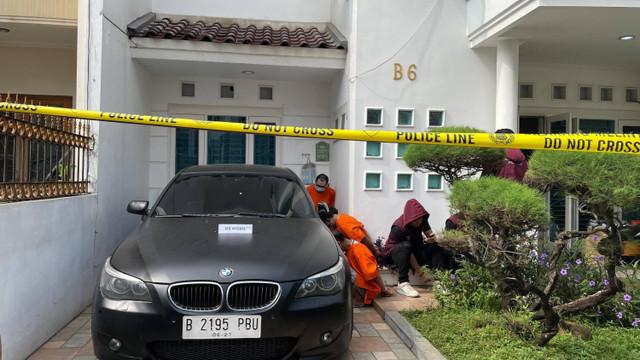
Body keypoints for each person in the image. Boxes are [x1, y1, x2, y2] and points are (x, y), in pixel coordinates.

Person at [382, 198, 456, 297]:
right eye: (415, 219)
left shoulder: (422, 220)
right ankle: (403, 283)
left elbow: (430, 235)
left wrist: (433, 239)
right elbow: (408, 252)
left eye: (420, 218)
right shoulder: (398, 228)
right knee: (405, 247)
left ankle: (439, 281)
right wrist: (421, 273)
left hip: (414, 249)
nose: (418, 221)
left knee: (437, 245)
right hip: (396, 253)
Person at [332, 229, 394, 306]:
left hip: (369, 289)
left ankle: (359, 299)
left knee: (343, 270)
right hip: (361, 285)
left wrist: (383, 289)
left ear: (339, 243)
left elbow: (372, 273)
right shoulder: (350, 249)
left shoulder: (359, 250)